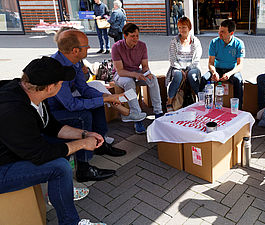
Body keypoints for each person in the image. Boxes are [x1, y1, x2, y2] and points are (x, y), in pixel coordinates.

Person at [0, 57, 107, 225]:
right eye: (61, 82)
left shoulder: (32, 93)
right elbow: (40, 155)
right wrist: (83, 144)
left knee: (61, 151)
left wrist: (84, 134)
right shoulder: (13, 109)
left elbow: (51, 126)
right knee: (60, 167)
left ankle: (59, 192)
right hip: (3, 166)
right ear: (50, 87)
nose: (62, 85)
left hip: (14, 150)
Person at [48, 29, 126, 183]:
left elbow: (83, 88)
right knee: (83, 115)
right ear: (75, 50)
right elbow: (70, 105)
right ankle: (84, 168)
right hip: (51, 114)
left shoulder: (75, 60)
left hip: (64, 104)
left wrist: (105, 97)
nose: (89, 48)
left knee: (96, 103)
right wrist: (104, 99)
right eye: (86, 46)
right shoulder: (56, 68)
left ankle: (100, 143)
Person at [112, 23, 163, 134]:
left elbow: (144, 66)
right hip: (121, 75)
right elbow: (120, 71)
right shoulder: (116, 47)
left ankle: (158, 112)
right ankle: (137, 118)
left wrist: (147, 73)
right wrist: (135, 75)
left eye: (137, 36)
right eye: (132, 36)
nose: (136, 39)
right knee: (129, 82)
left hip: (136, 72)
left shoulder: (142, 45)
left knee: (153, 79)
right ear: (125, 36)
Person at [199, 19, 245, 108]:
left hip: (231, 70)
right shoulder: (214, 42)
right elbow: (211, 63)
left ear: (231, 33)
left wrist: (229, 74)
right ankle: (202, 104)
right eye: (219, 31)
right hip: (217, 69)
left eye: (223, 32)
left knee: (238, 80)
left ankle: (238, 108)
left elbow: (240, 65)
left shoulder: (239, 44)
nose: (219, 34)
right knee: (204, 78)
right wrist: (214, 72)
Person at [165, 17, 202, 112]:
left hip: (192, 67)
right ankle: (169, 101)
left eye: (184, 27)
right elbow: (172, 59)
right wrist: (181, 69)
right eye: (180, 27)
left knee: (192, 75)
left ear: (189, 28)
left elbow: (197, 59)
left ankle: (201, 100)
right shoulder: (174, 41)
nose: (182, 30)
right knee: (178, 75)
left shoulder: (195, 41)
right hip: (177, 67)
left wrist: (188, 69)